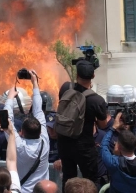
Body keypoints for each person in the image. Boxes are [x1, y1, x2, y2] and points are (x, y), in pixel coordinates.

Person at [56, 60, 108, 188]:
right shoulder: (97, 100)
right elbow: (103, 125)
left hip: (64, 141)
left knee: (68, 179)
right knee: (90, 180)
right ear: (93, 76)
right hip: (84, 146)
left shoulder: (65, 88)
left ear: (77, 75)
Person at [3, 69, 49, 193]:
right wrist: (35, 83)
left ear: (21, 132)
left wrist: (10, 97)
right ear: (40, 132)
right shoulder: (45, 141)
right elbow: (38, 111)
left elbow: (8, 120)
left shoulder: (17, 144)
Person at [100, 113, 136, 193]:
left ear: (119, 147)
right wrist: (134, 127)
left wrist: (113, 127)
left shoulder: (114, 163)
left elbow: (103, 147)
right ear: (135, 145)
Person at [0, 117, 22, 193]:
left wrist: (11, 133)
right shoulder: (15, 189)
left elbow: (11, 161)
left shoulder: (15, 187)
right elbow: (11, 161)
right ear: (11, 182)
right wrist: (11, 133)